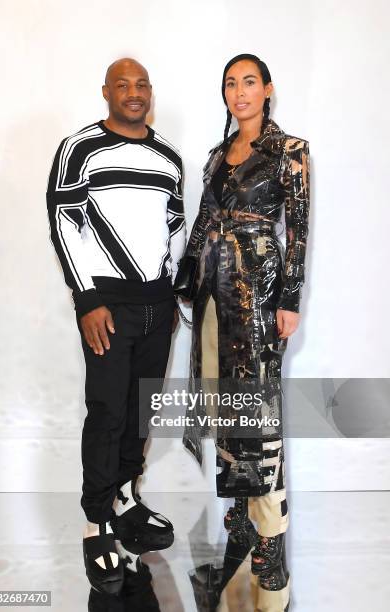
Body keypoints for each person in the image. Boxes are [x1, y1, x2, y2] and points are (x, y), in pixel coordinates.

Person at [46, 57, 185, 596]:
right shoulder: (79, 147)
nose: (134, 92)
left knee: (140, 409)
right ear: (106, 91)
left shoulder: (167, 156)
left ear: (150, 92)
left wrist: (171, 294)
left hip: (157, 305)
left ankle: (125, 498)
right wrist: (87, 299)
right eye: (123, 84)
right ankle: (96, 523)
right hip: (108, 303)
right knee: (107, 410)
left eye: (142, 84)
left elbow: (172, 226)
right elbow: (63, 220)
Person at [179, 53, 310, 610]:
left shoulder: (290, 151)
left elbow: (299, 229)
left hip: (257, 290)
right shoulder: (216, 156)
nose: (239, 92)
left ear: (268, 89)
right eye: (231, 84)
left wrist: (289, 298)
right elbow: (205, 219)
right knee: (226, 404)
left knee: (258, 412)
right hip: (215, 293)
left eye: (249, 82)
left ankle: (270, 539)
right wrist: (185, 278)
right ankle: (240, 523)